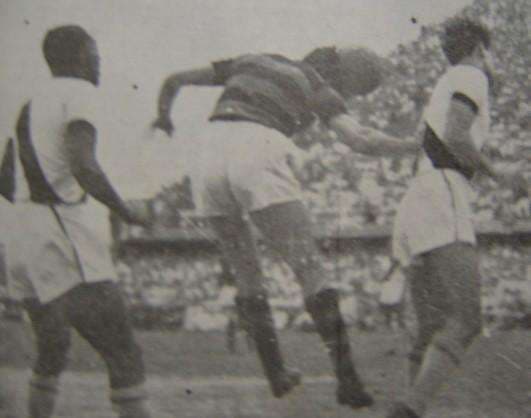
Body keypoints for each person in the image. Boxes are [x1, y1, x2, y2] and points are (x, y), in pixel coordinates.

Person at [151, 45, 408, 408]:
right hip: (258, 146)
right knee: (310, 269)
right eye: (354, 90)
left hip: (206, 152)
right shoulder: (319, 85)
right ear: (344, 77)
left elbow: (174, 80)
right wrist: (418, 147)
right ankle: (347, 381)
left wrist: (164, 117)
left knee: (246, 275)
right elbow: (360, 139)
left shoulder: (252, 59)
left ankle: (277, 374)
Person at [2, 25, 152, 418]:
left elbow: (4, 179)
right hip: (60, 230)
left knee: (52, 346)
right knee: (123, 349)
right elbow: (84, 165)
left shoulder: (28, 103)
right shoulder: (81, 93)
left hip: (21, 234)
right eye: (96, 53)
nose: (100, 62)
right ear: (82, 57)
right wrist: (126, 211)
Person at [386, 18, 528, 418]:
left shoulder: (446, 83)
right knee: (466, 319)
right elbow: (456, 135)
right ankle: (410, 410)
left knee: (431, 328)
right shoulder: (471, 73)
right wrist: (502, 175)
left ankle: (411, 408)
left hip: (417, 198)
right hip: (441, 193)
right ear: (479, 49)